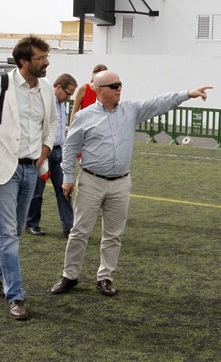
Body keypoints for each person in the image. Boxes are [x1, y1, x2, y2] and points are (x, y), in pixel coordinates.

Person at [50, 69, 212, 296]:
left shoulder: (130, 110)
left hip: (120, 183)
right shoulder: (84, 116)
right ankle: (70, 275)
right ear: (98, 89)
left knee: (113, 234)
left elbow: (158, 103)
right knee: (79, 231)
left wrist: (187, 94)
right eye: (113, 86)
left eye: (119, 84)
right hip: (91, 181)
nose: (119, 89)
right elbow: (70, 148)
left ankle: (105, 277)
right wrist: (67, 178)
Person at [0, 35, 57, 320]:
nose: (46, 62)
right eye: (41, 58)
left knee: (12, 232)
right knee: (8, 234)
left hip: (31, 169)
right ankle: (15, 295)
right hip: (3, 170)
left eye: (46, 57)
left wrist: (44, 150)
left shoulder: (45, 89)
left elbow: (52, 124)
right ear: (23, 61)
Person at [25, 73, 78, 238]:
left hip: (59, 151)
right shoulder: (46, 101)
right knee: (37, 191)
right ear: (58, 87)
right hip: (43, 151)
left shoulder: (61, 103)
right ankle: (31, 224)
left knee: (65, 190)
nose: (69, 97)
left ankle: (69, 227)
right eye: (68, 93)